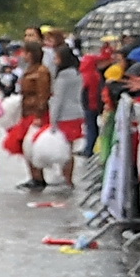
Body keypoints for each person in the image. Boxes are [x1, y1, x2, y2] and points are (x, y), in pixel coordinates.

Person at [5, 39, 52, 191]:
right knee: (27, 146)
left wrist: (39, 114)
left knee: (32, 146)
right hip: (27, 111)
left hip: (35, 113)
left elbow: (43, 94)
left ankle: (38, 177)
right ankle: (34, 176)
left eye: (25, 52)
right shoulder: (31, 69)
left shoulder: (41, 72)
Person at [48, 45, 83, 189]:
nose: (54, 61)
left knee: (64, 149)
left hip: (65, 115)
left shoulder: (62, 78)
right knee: (69, 148)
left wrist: (53, 121)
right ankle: (68, 177)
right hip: (76, 113)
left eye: (56, 58)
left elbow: (58, 100)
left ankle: (66, 178)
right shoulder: (77, 74)